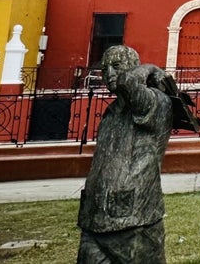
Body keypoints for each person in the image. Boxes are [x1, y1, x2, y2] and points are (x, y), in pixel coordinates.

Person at [77, 45, 174, 263]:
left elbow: (128, 83)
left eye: (116, 66)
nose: (109, 74)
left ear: (133, 68)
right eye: (104, 69)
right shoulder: (111, 113)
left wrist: (150, 68)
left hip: (134, 220)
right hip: (94, 219)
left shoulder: (157, 103)